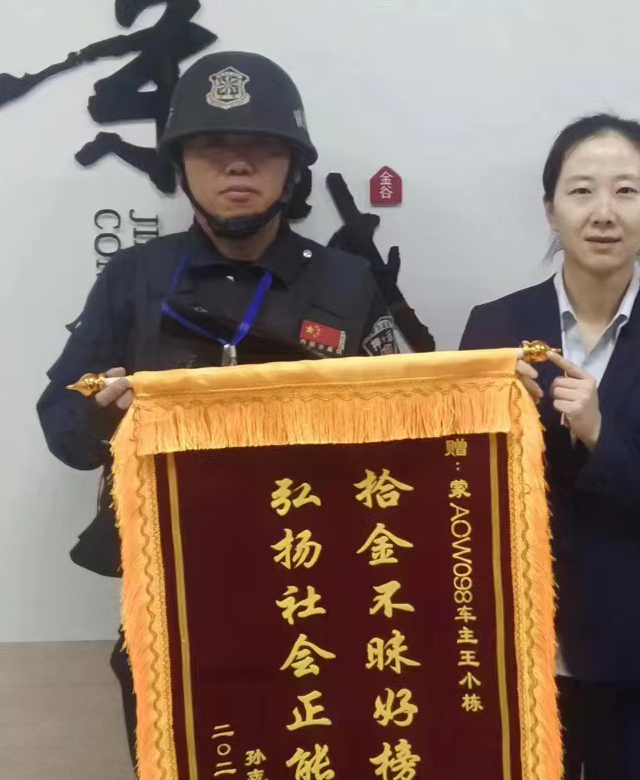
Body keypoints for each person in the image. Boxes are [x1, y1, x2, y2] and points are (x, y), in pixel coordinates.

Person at [35, 50, 404, 769]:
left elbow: (408, 427)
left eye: (261, 148)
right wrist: (102, 411)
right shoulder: (135, 277)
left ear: (292, 169)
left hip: (319, 592)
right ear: (179, 166)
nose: (238, 166)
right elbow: (62, 425)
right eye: (212, 148)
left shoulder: (348, 282)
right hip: (171, 594)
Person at [459, 114, 640, 780]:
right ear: (550, 209)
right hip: (512, 649)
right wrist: (487, 411)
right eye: (581, 191)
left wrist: (602, 434)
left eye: (626, 191)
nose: (603, 212)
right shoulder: (493, 327)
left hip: (638, 657)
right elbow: (457, 488)